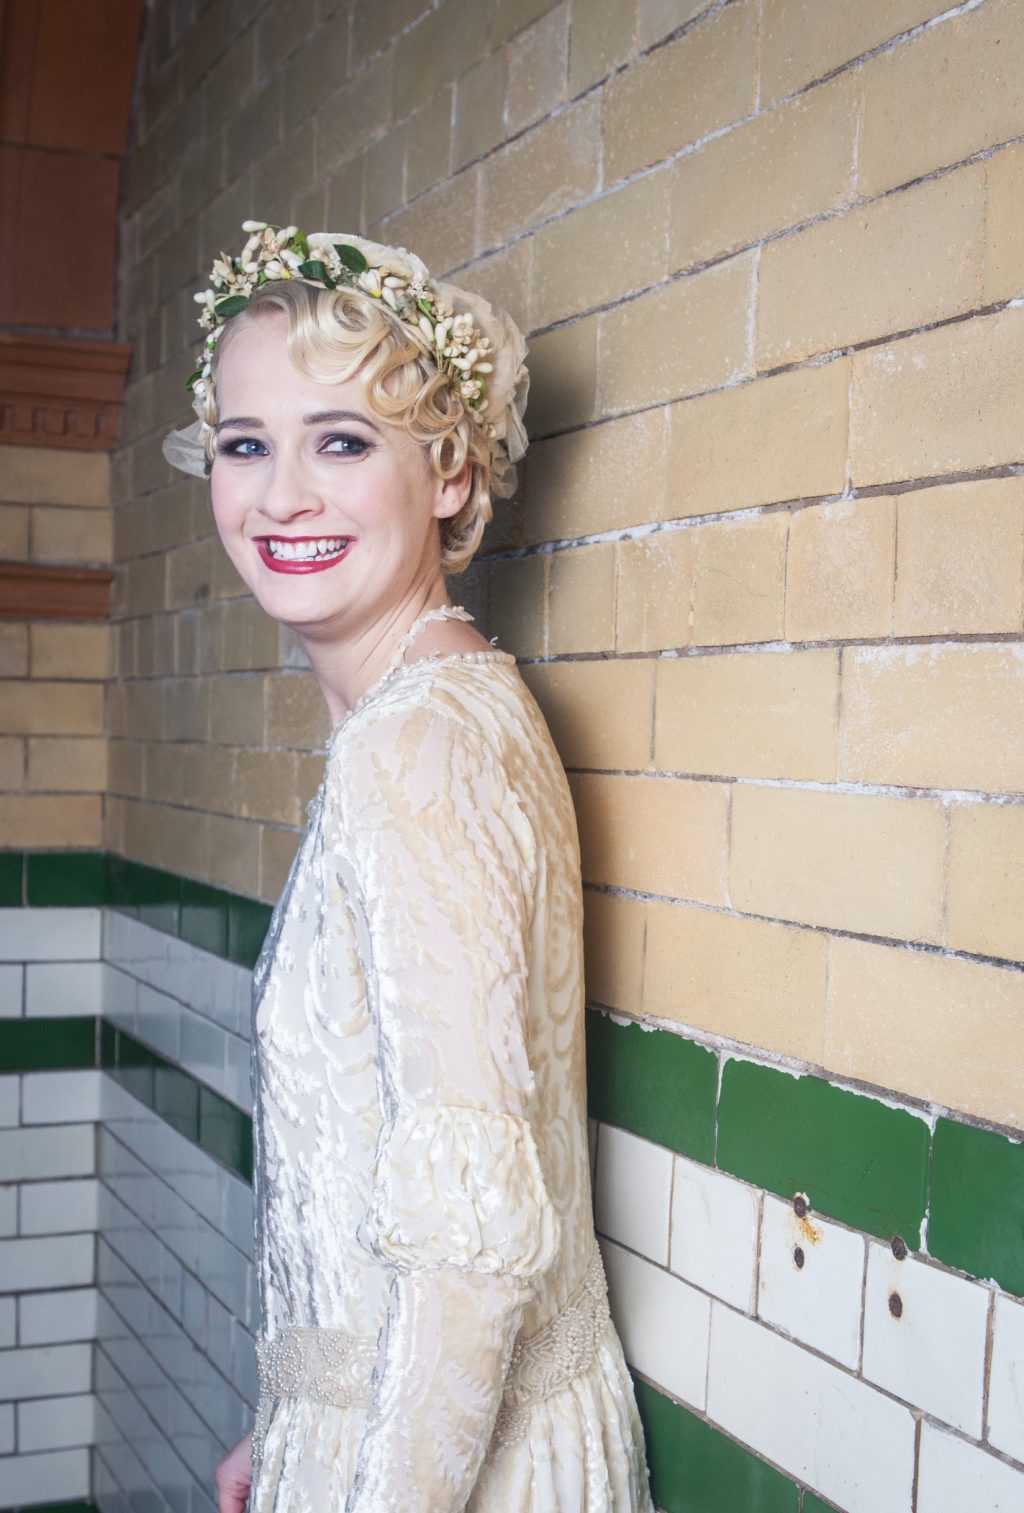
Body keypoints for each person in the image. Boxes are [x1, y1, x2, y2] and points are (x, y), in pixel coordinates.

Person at [162, 223, 654, 1511]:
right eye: (245, 444)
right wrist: (295, 1428)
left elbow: (471, 1254)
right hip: (408, 1431)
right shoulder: (443, 709)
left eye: (340, 442)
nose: (280, 498)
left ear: (445, 473)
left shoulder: (420, 751)